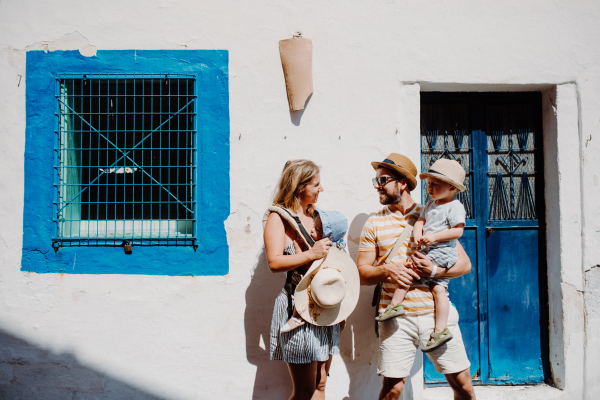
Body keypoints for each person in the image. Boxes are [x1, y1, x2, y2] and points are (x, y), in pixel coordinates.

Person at [356, 153, 476, 400]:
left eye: (383, 180)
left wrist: (433, 271)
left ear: (402, 183)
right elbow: (362, 273)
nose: (377, 186)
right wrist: (388, 270)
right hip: (396, 319)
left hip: (434, 314)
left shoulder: (435, 211)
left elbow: (464, 265)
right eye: (376, 181)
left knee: (463, 386)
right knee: (392, 391)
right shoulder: (373, 223)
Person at [263, 159, 341, 400]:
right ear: (299, 186)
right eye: (316, 184)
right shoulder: (278, 218)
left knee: (320, 384)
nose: (321, 189)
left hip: (323, 306)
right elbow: (274, 263)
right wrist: (311, 253)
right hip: (297, 308)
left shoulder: (315, 217)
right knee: (305, 390)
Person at [375, 158, 466, 354]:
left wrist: (432, 238)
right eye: (430, 184)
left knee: (411, 272)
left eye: (436, 185)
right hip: (428, 249)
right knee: (438, 289)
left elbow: (457, 232)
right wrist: (418, 236)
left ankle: (395, 306)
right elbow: (420, 222)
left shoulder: (454, 207)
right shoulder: (431, 205)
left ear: (452, 188)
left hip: (442, 251)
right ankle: (439, 330)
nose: (431, 188)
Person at [281, 209, 349, 333]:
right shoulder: (339, 247)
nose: (312, 230)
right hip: (328, 290)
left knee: (305, 289)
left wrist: (299, 250)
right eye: (314, 226)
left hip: (322, 285)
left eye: (317, 230)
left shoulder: (325, 249)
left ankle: (298, 316)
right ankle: (340, 318)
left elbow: (307, 269)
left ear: (328, 236)